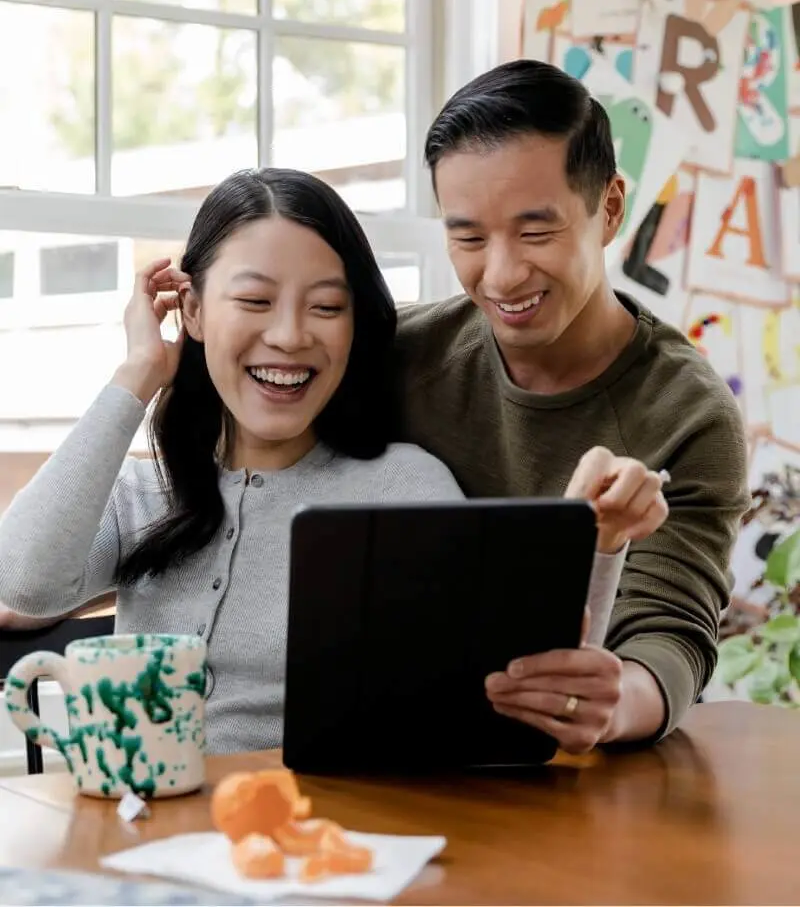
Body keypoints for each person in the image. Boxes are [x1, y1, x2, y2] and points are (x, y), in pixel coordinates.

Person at [0, 168, 667, 755]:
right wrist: (139, 373)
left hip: (309, 853)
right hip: (135, 853)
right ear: (194, 311)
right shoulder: (145, 492)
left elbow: (524, 688)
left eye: (326, 307)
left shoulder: (402, 488)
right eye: (255, 301)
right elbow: (23, 580)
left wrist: (600, 545)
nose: (290, 336)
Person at [394, 60, 750, 754]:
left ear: (610, 208)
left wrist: (618, 701)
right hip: (393, 757)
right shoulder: (395, 358)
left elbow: (669, 635)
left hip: (572, 785)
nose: (500, 275)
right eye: (467, 237)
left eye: (535, 232)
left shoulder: (688, 411)